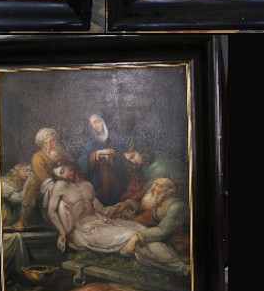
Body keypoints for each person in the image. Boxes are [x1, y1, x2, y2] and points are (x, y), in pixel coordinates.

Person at [43, 162, 188, 275]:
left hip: (105, 222)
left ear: (70, 165)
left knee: (141, 230)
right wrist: (62, 233)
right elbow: (51, 212)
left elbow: (101, 210)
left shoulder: (87, 185)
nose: (64, 175)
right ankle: (180, 267)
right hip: (87, 231)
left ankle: (178, 261)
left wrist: (119, 207)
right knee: (135, 236)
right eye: (60, 174)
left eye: (64, 170)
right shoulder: (60, 186)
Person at [14, 127, 65, 231]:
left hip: (66, 182)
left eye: (52, 141)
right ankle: (22, 220)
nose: (49, 145)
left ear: (57, 140)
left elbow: (74, 170)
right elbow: (42, 177)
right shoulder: (37, 157)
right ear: (42, 144)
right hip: (42, 184)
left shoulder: (65, 155)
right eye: (45, 143)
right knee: (31, 190)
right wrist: (59, 185)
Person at [76, 113, 129, 206]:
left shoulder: (116, 139)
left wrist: (112, 156)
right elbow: (81, 162)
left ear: (103, 121)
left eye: (97, 122)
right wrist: (97, 154)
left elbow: (125, 154)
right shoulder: (91, 143)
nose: (95, 126)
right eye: (92, 124)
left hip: (119, 176)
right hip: (98, 180)